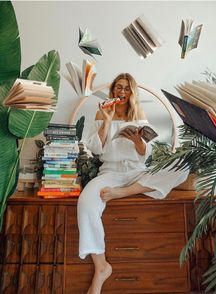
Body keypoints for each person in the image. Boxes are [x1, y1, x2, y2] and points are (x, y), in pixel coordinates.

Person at [77, 73, 188, 294]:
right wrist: (106, 122)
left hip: (137, 174)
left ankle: (126, 192)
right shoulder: (101, 112)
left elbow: (144, 156)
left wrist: (138, 141)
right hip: (110, 173)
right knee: (86, 203)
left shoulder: (139, 114)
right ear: (112, 90)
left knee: (182, 165)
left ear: (132, 92)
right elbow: (95, 149)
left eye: (127, 89)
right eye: (118, 87)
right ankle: (101, 267)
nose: (122, 92)